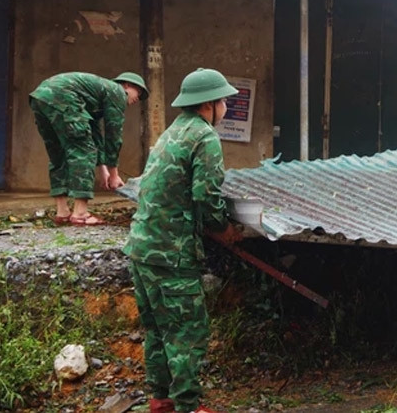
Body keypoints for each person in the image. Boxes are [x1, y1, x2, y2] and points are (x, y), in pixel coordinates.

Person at [124, 68, 243, 413]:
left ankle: (161, 400)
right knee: (186, 333)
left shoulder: (172, 132)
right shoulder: (204, 137)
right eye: (223, 101)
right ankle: (189, 406)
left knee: (157, 331)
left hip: (142, 249)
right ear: (209, 104)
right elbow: (206, 195)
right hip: (171, 254)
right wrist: (225, 231)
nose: (225, 107)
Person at [29, 71, 148, 226]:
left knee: (58, 155)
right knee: (83, 152)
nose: (137, 99)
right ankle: (80, 213)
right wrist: (114, 174)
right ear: (126, 85)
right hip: (64, 98)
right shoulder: (117, 92)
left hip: (40, 98)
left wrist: (103, 169)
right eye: (138, 93)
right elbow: (113, 134)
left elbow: (95, 133)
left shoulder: (97, 93)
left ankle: (62, 211)